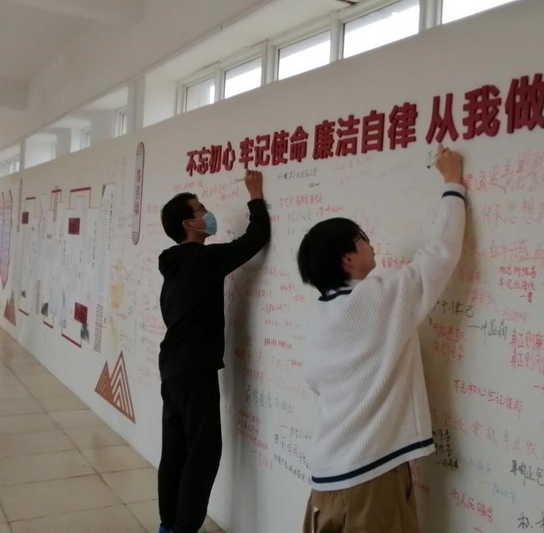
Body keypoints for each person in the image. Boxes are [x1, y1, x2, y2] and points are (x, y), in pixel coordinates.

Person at [296, 144, 466, 532]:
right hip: (369, 474)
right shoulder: (376, 299)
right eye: (362, 238)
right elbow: (440, 255)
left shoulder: (321, 314)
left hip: (326, 478)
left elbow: (315, 381)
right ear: (348, 258)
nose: (371, 244)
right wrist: (452, 183)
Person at [157, 170, 270, 533]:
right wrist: (255, 196)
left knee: (176, 449)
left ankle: (169, 525)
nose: (208, 214)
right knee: (204, 451)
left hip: (173, 366)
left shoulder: (174, 264)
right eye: (201, 210)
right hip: (194, 368)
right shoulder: (202, 260)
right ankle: (184, 527)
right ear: (189, 224)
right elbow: (255, 239)